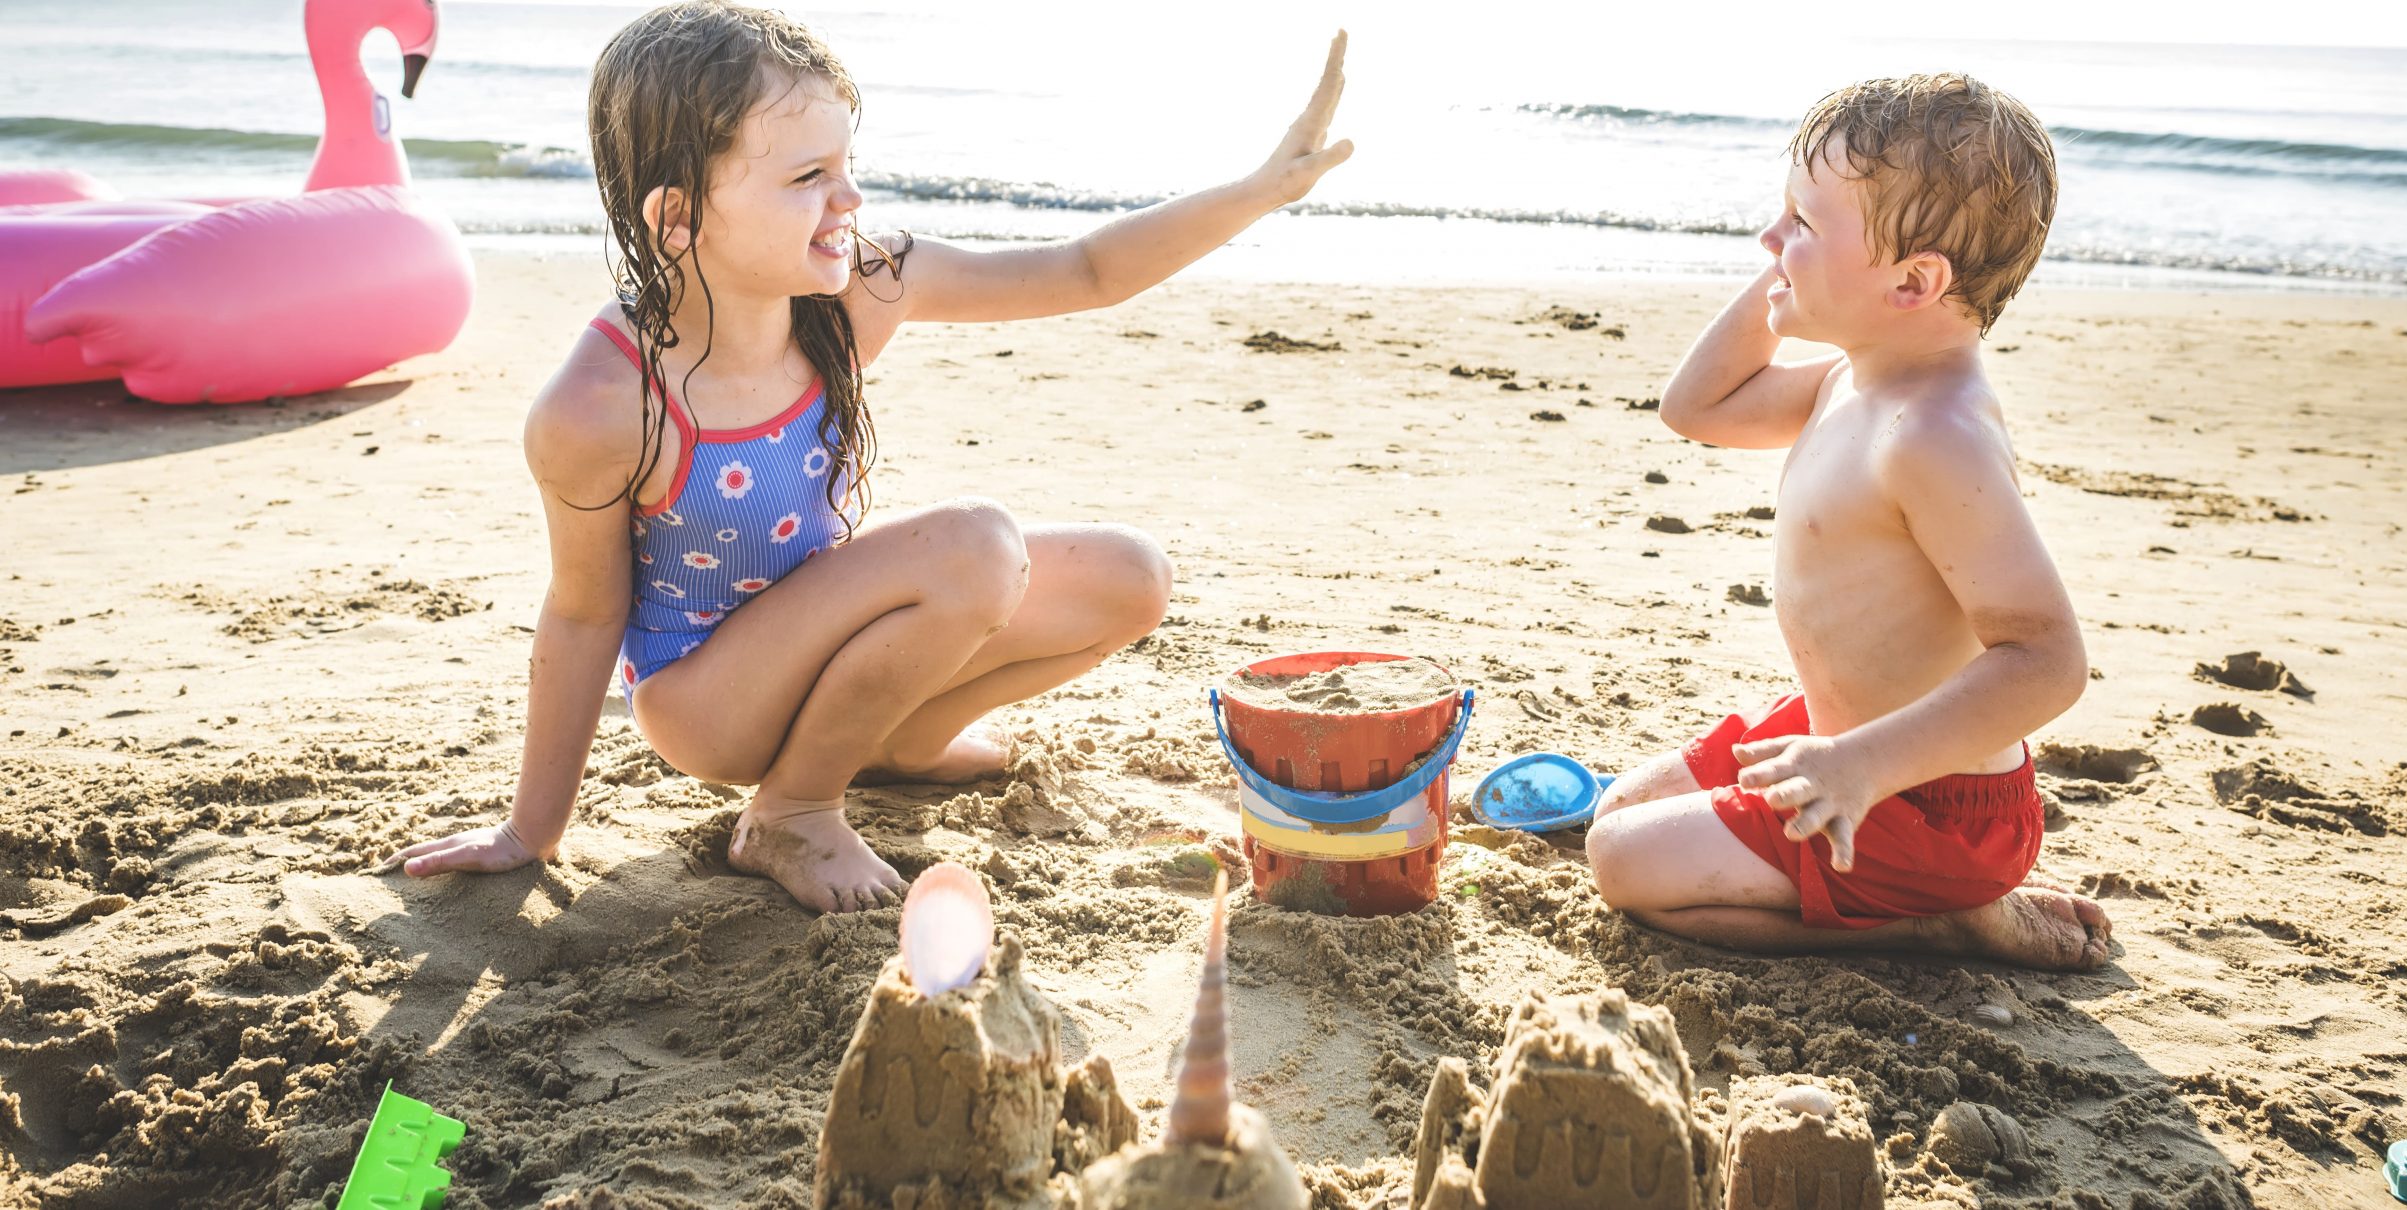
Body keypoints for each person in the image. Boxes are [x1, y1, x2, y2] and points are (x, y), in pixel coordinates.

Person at [392, 1, 1353, 913]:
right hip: (708, 700)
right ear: (677, 220)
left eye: (847, 166)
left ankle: (897, 741)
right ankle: (792, 812)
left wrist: (1261, 191)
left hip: (831, 640)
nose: (849, 198)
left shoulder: (864, 292)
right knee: (976, 548)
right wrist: (532, 829)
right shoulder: (605, 405)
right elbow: (584, 610)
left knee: (1131, 579)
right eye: (808, 177)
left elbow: (1085, 270)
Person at [1585, 73, 2112, 971]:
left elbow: (2048, 660)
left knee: (1621, 862)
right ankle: (1924, 897)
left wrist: (1860, 767)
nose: (1769, 237)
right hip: (1846, 748)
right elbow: (1697, 407)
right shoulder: (1854, 376)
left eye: (1800, 224)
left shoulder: (1933, 436)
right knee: (1615, 811)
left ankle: (1941, 922)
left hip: (1927, 803)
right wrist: (1796, 267)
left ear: (1914, 280)